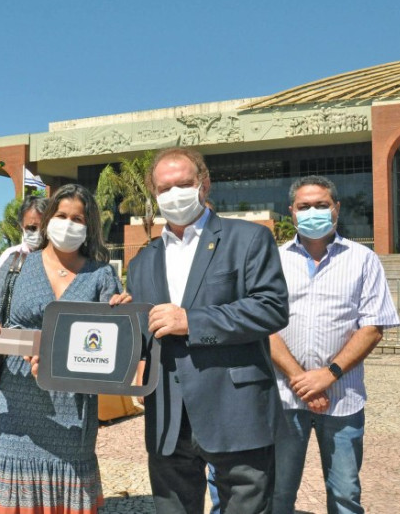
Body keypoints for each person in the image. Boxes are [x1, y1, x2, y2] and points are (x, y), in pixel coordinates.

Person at [120, 147, 290, 514]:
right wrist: (120, 324)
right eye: (164, 188)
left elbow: (271, 308)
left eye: (184, 183)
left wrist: (192, 321)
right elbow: (145, 333)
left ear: (204, 183)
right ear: (154, 193)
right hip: (167, 415)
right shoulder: (143, 261)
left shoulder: (248, 239)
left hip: (235, 410)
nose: (174, 194)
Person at [0, 184, 122, 514]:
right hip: (15, 408)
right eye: (62, 215)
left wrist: (121, 314)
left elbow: (111, 346)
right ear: (49, 218)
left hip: (71, 412)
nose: (68, 224)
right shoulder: (18, 266)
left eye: (77, 218)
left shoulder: (102, 275)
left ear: (89, 226)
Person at [268, 175, 399, 514]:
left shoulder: (363, 259)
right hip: (284, 397)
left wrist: (328, 375)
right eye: (304, 206)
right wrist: (303, 380)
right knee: (277, 494)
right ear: (292, 213)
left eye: (321, 205)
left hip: (343, 399)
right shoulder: (273, 259)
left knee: (344, 495)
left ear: (336, 209)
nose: (313, 212)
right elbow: (263, 326)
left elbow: (372, 327)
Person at [0, 195, 48, 275]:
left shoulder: (61, 259)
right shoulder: (9, 257)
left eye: (43, 227)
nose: (38, 233)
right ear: (21, 227)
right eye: (32, 228)